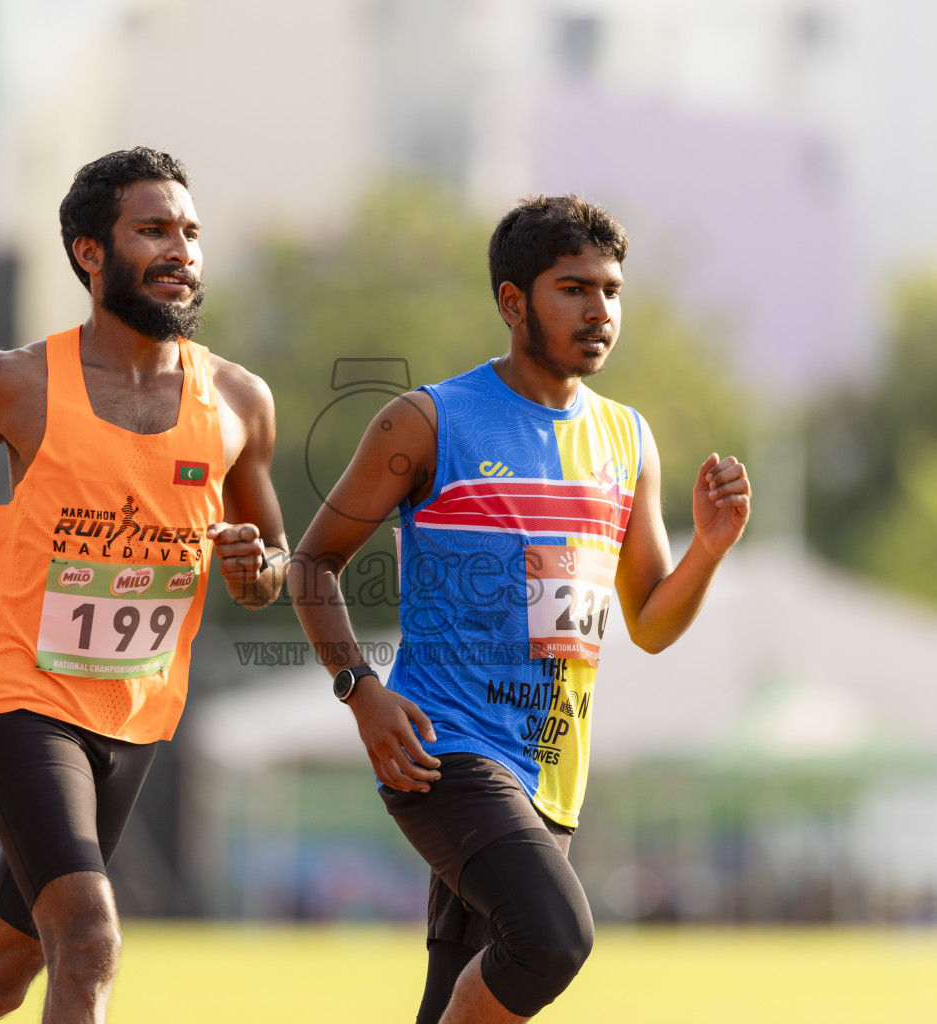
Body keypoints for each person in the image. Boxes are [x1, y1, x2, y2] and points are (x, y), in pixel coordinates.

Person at [290, 195, 750, 1023]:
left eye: (611, 291)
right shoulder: (428, 421)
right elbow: (312, 564)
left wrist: (708, 550)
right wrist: (360, 690)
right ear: (513, 302)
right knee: (555, 935)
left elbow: (647, 622)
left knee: (460, 992)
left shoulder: (627, 438)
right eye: (574, 288)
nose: (600, 311)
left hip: (551, 768)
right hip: (443, 751)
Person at [0, 148, 288, 1024]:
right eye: (153, 230)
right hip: (21, 693)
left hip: (133, 715)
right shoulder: (13, 382)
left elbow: (269, 568)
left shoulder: (240, 402)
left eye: (191, 233)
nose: (181, 251)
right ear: (89, 252)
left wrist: (258, 566)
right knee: (89, 941)